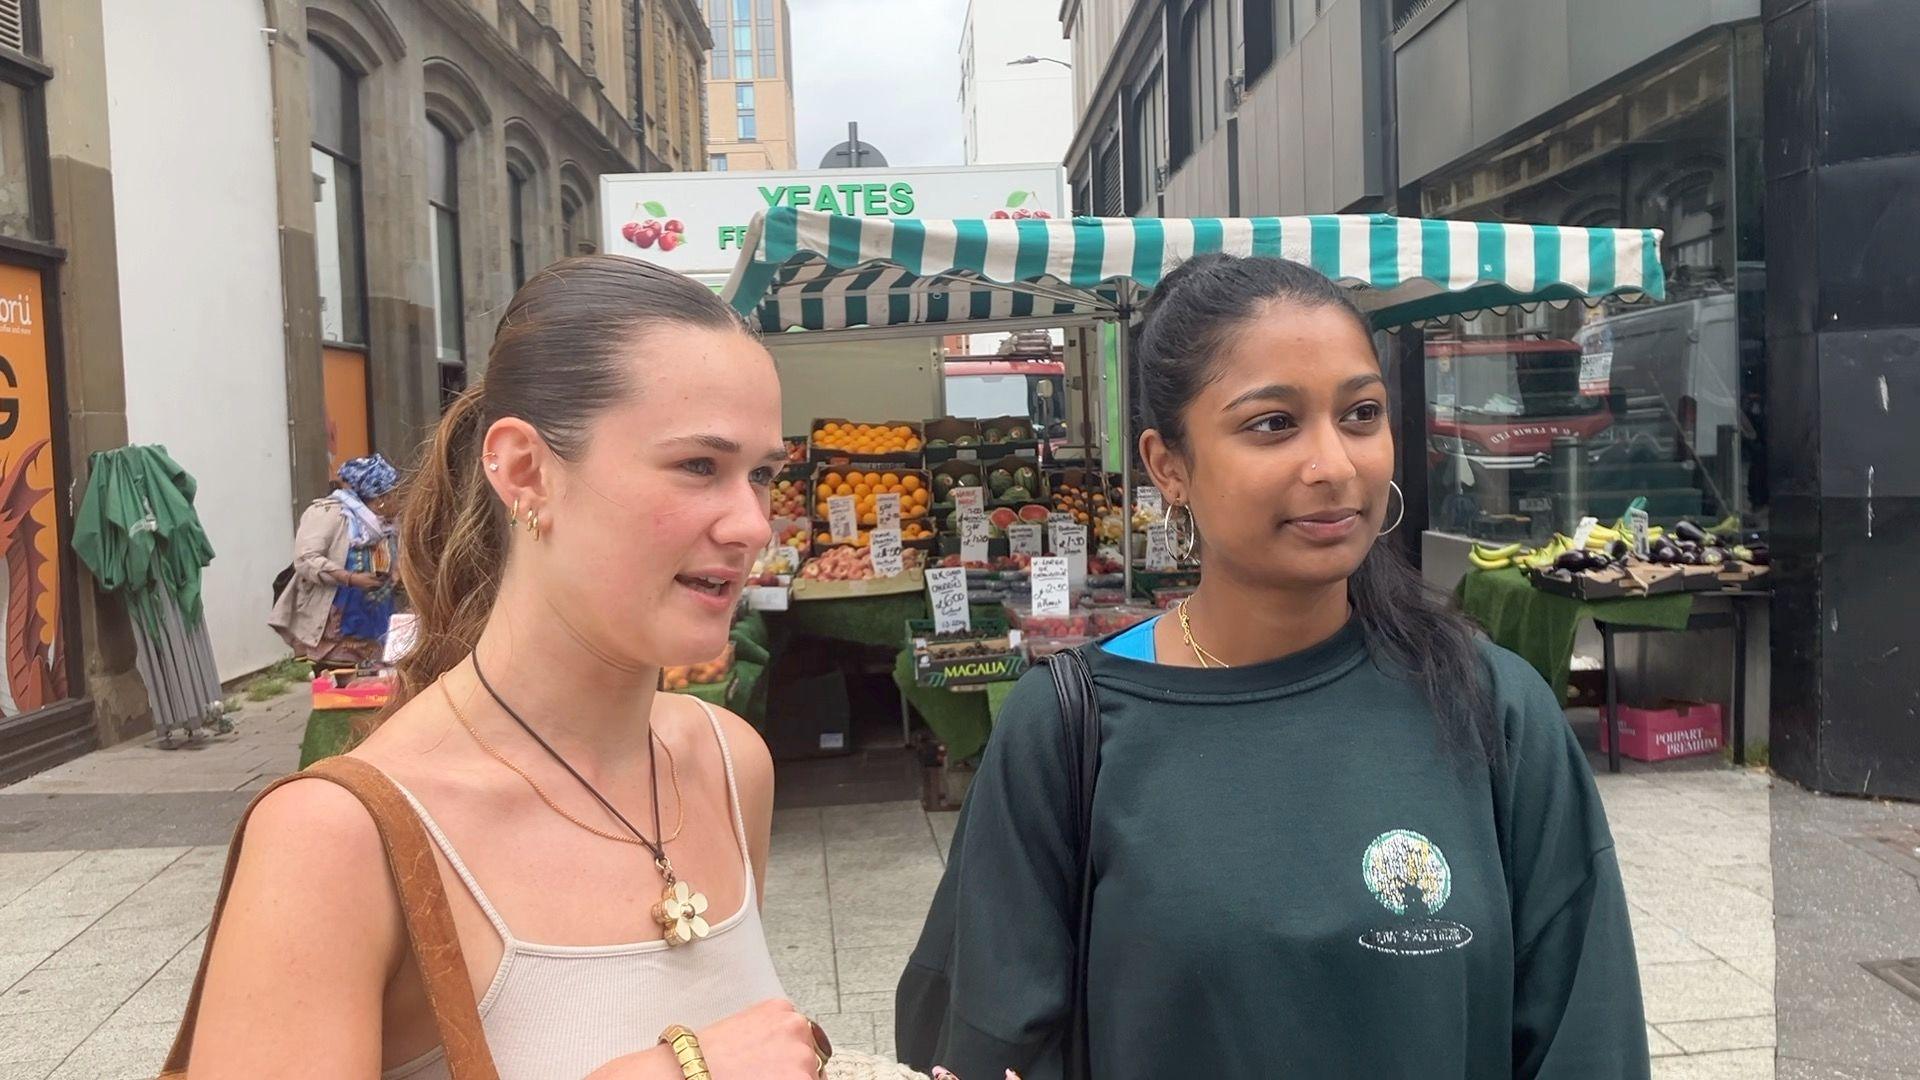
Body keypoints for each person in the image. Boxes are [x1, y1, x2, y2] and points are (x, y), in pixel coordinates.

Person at [899, 256, 1649, 1079]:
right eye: (1272, 424)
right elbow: (983, 1037)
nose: (1333, 466)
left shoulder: (1492, 708)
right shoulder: (1069, 730)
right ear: (1168, 465)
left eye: (1361, 414)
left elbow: (1588, 1040)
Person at [184, 257, 827, 1079]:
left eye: (763, 474)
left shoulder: (730, 763)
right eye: (699, 466)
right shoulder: (337, 839)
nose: (752, 525)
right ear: (525, 470)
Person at [270, 453, 402, 664]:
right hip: (338, 629)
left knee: (378, 690)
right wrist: (351, 578)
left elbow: (395, 557)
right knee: (343, 691)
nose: (399, 499)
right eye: (394, 494)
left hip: (377, 625)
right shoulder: (330, 514)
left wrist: (397, 573)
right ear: (380, 499)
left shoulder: (388, 524)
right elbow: (306, 558)